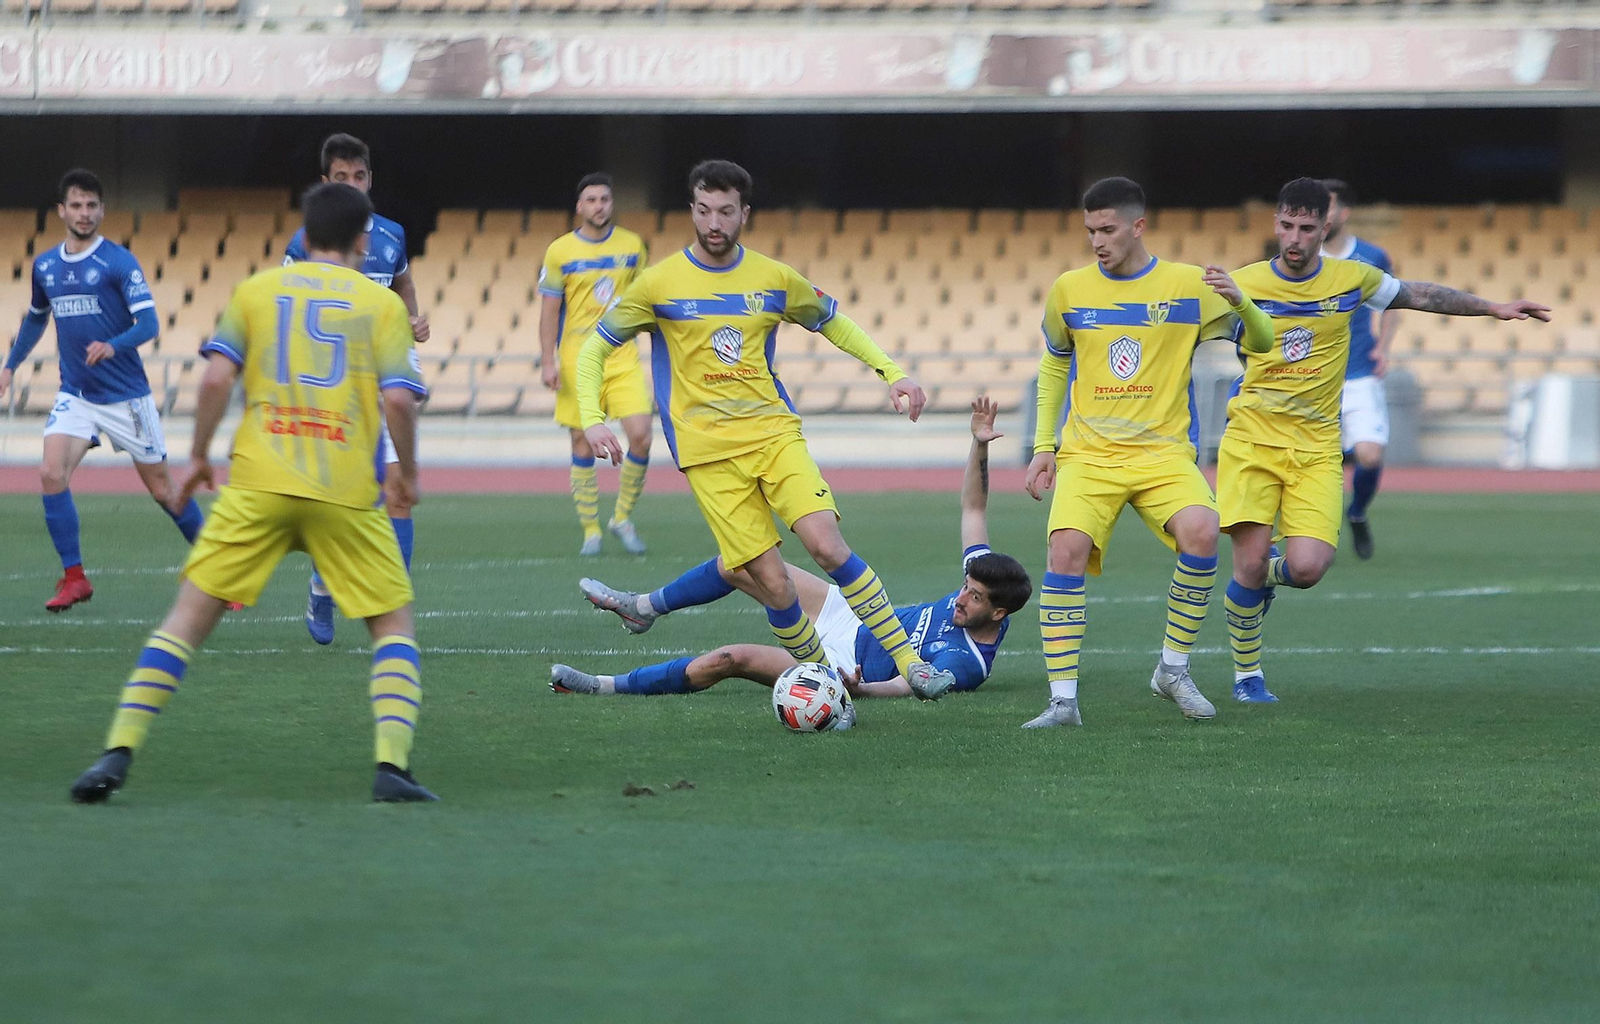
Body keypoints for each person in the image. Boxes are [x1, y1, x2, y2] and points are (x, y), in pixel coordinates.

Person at [68, 182, 436, 804]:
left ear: (304, 234)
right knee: (392, 626)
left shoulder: (256, 290)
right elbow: (399, 397)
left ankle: (116, 752)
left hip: (258, 483)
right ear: (363, 238)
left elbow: (215, 377)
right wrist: (409, 473)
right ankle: (392, 768)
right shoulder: (383, 307)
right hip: (344, 490)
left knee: (184, 621)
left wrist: (197, 457)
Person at [573, 159, 956, 700]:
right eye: (704, 210)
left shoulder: (774, 278)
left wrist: (892, 372)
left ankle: (912, 664)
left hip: (775, 436)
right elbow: (594, 350)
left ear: (744, 214)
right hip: (707, 456)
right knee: (774, 585)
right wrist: (592, 420)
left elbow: (833, 321)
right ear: (692, 209)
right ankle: (832, 685)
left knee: (827, 545)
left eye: (726, 212)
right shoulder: (656, 284)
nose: (714, 222)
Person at [1221, 177, 1550, 703]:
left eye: (1308, 228)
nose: (1296, 238)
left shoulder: (1353, 278)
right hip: (1252, 441)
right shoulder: (1244, 283)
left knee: (1306, 569)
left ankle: (1264, 581)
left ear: (1326, 228)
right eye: (1287, 225)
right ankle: (1247, 677)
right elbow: (1174, 331)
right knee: (1248, 561)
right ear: (1275, 223)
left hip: (1316, 445)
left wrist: (1492, 307)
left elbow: (1419, 294)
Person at [556, 398, 1032, 715]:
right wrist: (978, 445)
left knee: (729, 658)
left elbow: (910, 687)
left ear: (999, 612)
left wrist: (855, 687)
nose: (961, 597)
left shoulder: (969, 661)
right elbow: (974, 508)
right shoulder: (982, 585)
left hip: (841, 660)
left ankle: (606, 685)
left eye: (974, 598)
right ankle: (643, 609)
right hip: (852, 615)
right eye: (965, 587)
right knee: (746, 561)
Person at [1019, 177, 1276, 729]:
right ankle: (1063, 702)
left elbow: (1261, 344)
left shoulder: (1189, 286)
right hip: (1088, 456)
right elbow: (1054, 363)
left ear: (1138, 226)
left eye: (1107, 229)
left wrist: (1244, 303)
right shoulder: (1069, 289)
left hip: (1163, 455)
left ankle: (1172, 670)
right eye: (1090, 230)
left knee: (1204, 530)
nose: (1097, 241)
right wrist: (1045, 446)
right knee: (1064, 552)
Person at [0, 168, 207, 612]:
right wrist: (10, 366)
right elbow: (37, 317)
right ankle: (75, 578)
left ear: (102, 210)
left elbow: (149, 323)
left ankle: (221, 572)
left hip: (125, 397)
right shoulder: (47, 267)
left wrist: (113, 346)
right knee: (51, 473)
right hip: (76, 394)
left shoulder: (117, 262)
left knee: (164, 493)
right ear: (61, 211)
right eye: (76, 205)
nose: (84, 213)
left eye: (92, 205)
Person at [284, 132, 431, 645]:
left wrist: (413, 317)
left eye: (360, 177)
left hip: (382, 380)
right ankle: (323, 586)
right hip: (332, 392)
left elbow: (403, 283)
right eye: (341, 178)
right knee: (344, 503)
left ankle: (394, 609)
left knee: (399, 494)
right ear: (325, 183)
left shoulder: (389, 235)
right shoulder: (304, 244)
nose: (352, 185)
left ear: (371, 180)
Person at [538, 172, 653, 556]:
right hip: (576, 359)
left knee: (641, 434)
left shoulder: (633, 246)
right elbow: (549, 309)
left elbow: (645, 300)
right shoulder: (560, 251)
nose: (598, 206)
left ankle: (621, 518)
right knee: (581, 442)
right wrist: (547, 360)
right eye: (591, 200)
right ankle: (591, 530)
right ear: (579, 206)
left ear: (611, 203)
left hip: (621, 356)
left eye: (604, 199)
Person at [1321, 179, 1397, 560]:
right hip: (1314, 380)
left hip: (1359, 373)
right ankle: (1316, 532)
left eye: (1327, 206)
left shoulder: (1371, 257)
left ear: (1344, 213)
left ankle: (1357, 511)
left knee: (1370, 456)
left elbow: (1395, 301)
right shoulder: (1301, 258)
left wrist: (1383, 346)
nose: (1319, 214)